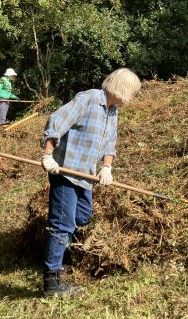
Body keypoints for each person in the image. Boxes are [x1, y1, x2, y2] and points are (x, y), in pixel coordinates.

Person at [40, 68, 142, 296]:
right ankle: (52, 280)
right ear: (123, 89)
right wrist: (48, 155)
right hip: (65, 171)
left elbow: (110, 143)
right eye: (132, 93)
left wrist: (107, 166)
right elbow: (57, 120)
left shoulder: (113, 111)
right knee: (62, 225)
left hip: (85, 176)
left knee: (82, 216)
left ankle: (57, 249)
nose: (132, 98)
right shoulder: (88, 99)